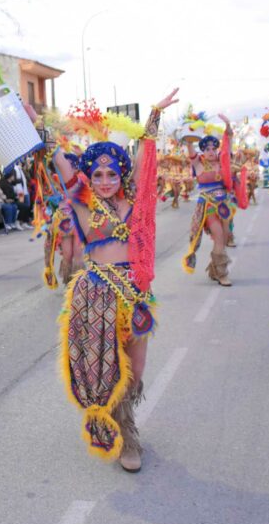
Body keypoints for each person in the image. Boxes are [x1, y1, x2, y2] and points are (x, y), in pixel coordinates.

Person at [29, 89, 178, 473]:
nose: (106, 180)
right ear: (89, 178)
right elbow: (58, 160)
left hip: (137, 295)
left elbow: (146, 159)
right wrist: (37, 124)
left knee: (137, 369)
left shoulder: (136, 204)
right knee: (108, 369)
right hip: (96, 294)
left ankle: (123, 418)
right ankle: (127, 436)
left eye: (113, 173)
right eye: (98, 174)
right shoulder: (82, 203)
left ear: (122, 175)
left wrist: (154, 116)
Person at [181, 114, 237, 286]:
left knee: (225, 236)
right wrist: (190, 130)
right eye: (207, 149)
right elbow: (189, 145)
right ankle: (222, 273)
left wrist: (228, 124)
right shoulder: (198, 164)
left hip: (225, 205)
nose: (211, 151)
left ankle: (214, 268)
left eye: (214, 148)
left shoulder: (223, 162)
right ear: (203, 151)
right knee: (219, 235)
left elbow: (229, 142)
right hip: (208, 206)